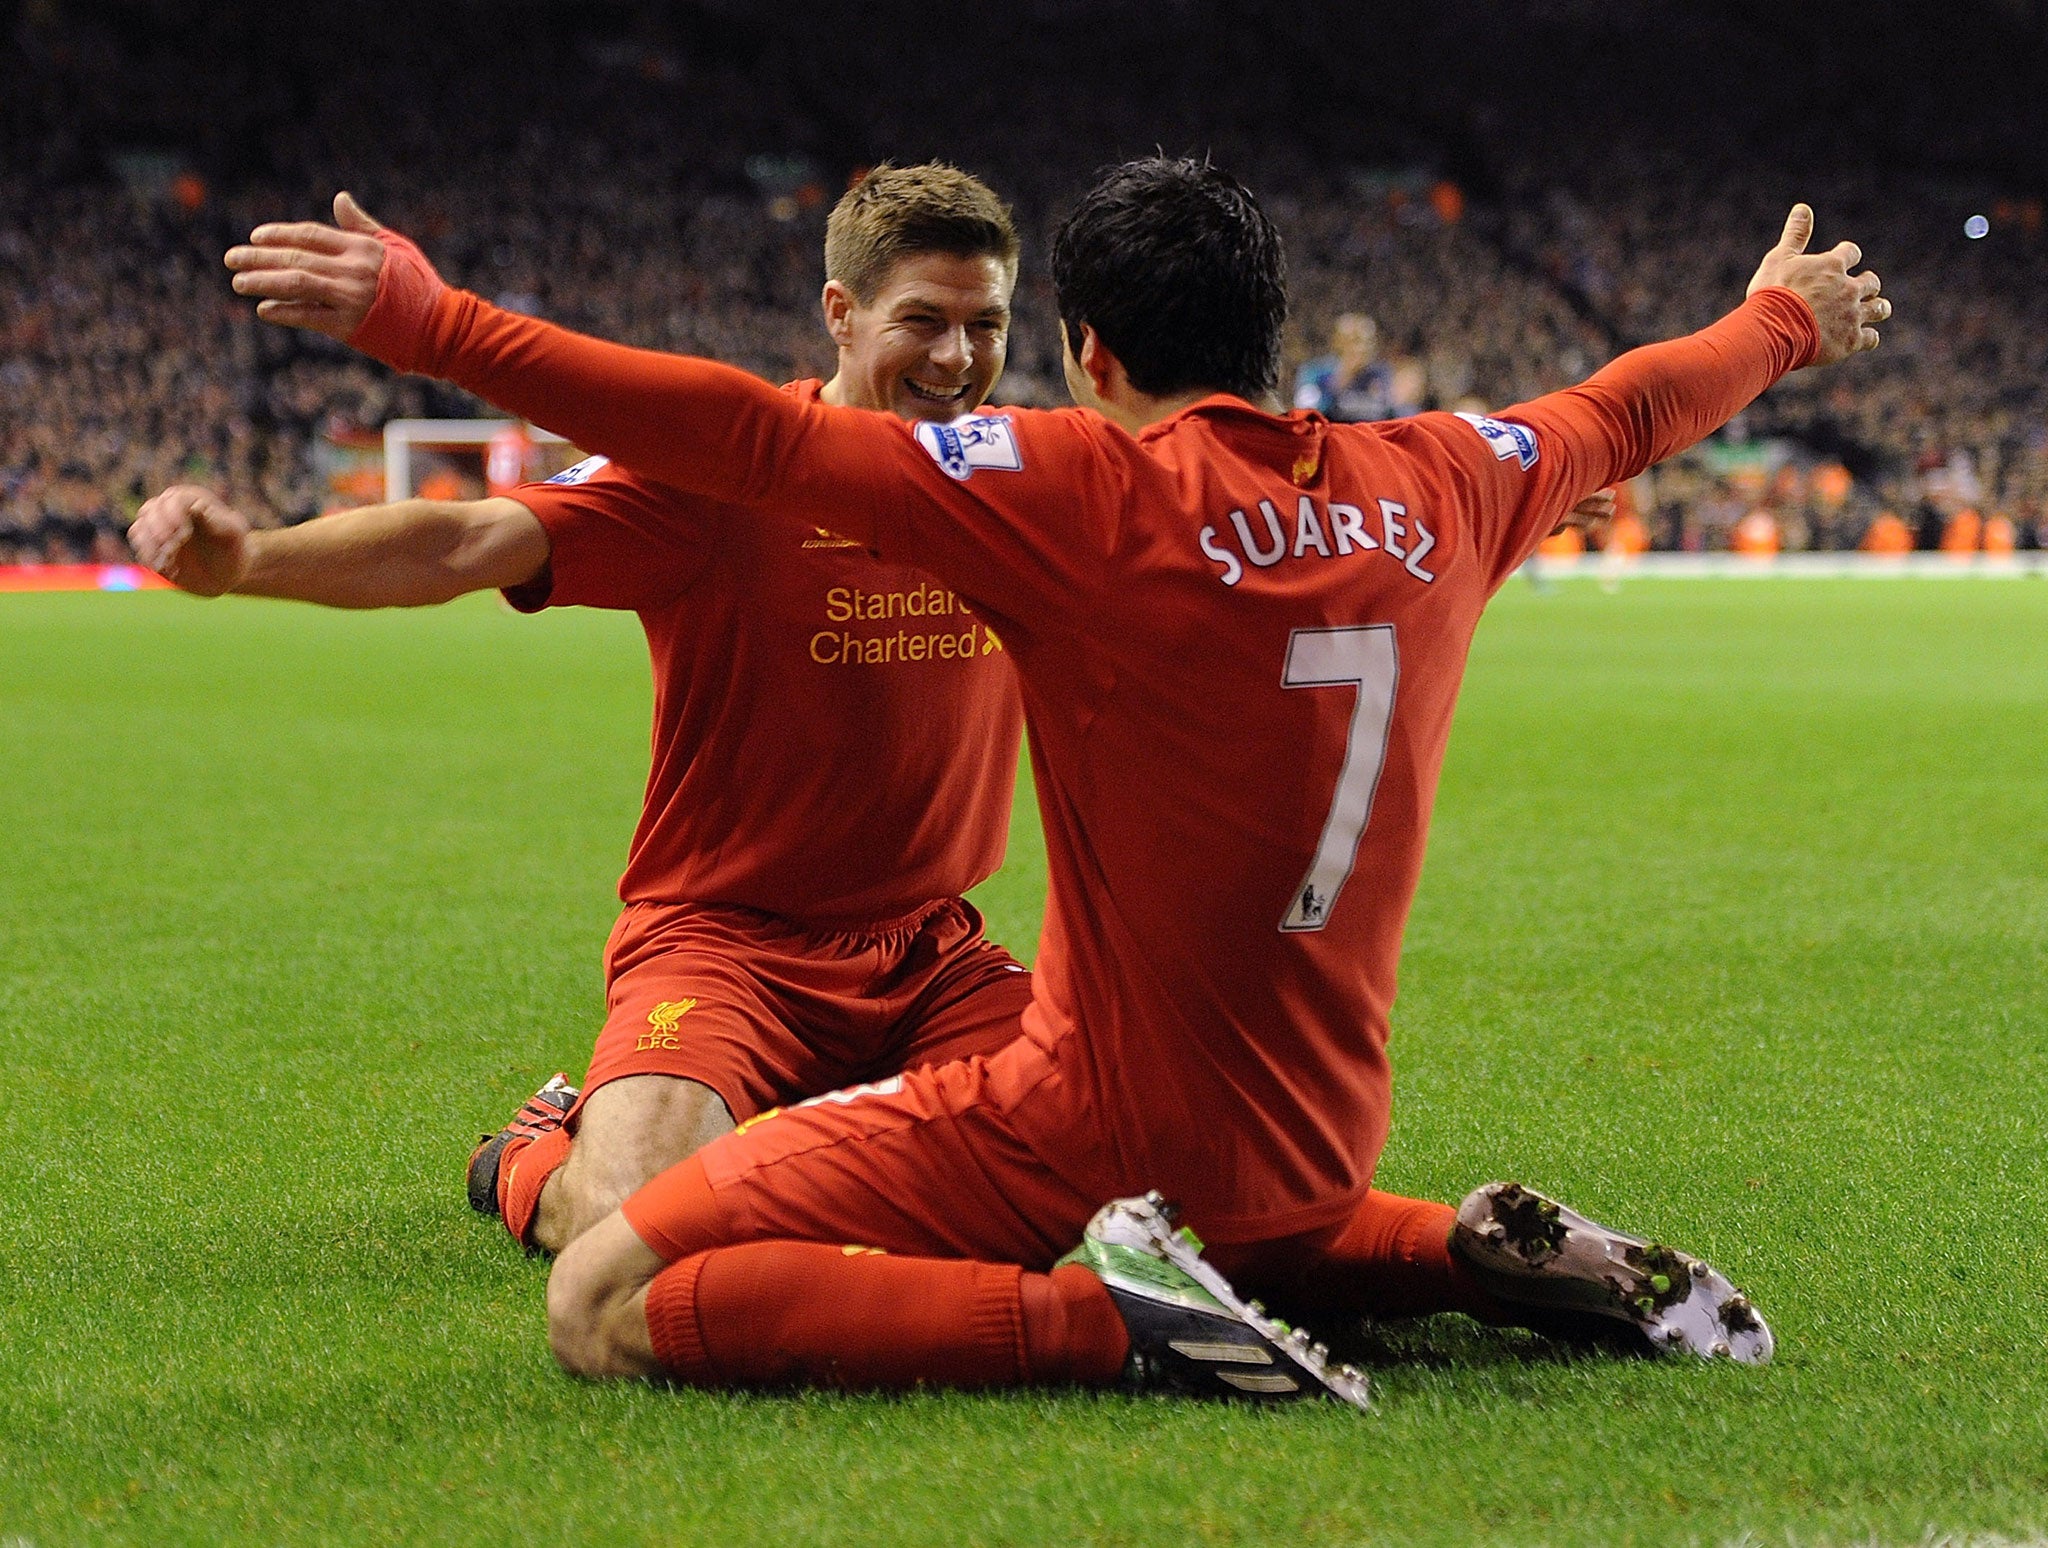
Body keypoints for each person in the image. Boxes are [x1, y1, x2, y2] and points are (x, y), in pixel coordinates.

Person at [223, 161, 1884, 1401]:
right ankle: (1435, 1243)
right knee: (1246, 1201)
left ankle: (1115, 1321)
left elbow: (743, 433)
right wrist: (1780, 322)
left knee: (602, 1286)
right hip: (1317, 1132)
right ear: (1271, 333)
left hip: (1070, 1110)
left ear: (1080, 353)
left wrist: (427, 322)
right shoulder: (1445, 475)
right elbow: (1624, 407)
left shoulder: (1075, 489)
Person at [130, 165, 1043, 1256]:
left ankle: (797, 1128)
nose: (955, 360)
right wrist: (248, 563)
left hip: (929, 954)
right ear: (839, 315)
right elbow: (462, 541)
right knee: (630, 1224)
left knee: (1114, 1162)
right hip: (731, 946)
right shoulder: (724, 479)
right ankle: (530, 1151)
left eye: (983, 324)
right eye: (923, 322)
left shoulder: (1017, 479)